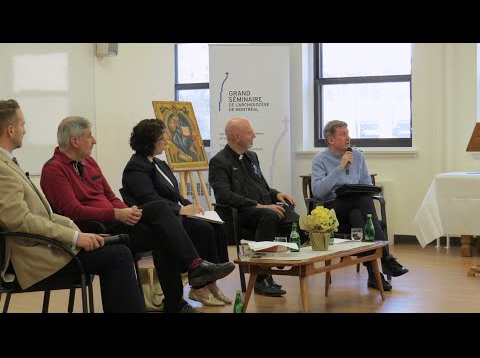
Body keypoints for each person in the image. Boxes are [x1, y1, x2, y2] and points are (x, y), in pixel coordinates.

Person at [40, 116, 235, 313]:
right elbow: (73, 211)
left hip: (115, 219)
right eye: (89, 135)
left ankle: (178, 298)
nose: (94, 140)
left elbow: (109, 195)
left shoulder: (89, 162)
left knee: (162, 230)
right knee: (159, 210)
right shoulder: (54, 169)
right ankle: (193, 268)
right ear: (75, 141)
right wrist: (116, 213)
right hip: (95, 229)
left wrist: (126, 210)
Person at [0, 99, 146, 313]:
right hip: (32, 256)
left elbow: (43, 213)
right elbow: (20, 221)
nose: (25, 130)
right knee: (119, 255)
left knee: (118, 249)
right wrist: (75, 238)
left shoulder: (8, 162)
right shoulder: (3, 168)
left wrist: (71, 226)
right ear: (10, 130)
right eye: (22, 124)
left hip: (44, 245)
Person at [122, 118, 231, 306]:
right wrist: (181, 209)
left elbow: (175, 194)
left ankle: (209, 283)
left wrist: (191, 206)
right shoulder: (135, 167)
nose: (167, 142)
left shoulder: (161, 164)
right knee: (201, 229)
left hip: (172, 214)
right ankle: (199, 286)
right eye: (162, 139)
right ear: (149, 141)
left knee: (214, 227)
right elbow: (150, 199)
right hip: (155, 220)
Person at [209, 117, 303, 297]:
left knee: (291, 216)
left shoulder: (252, 156)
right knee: (269, 216)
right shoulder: (219, 162)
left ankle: (279, 260)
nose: (254, 136)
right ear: (237, 136)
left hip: (260, 208)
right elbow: (224, 196)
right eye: (250, 133)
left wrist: (276, 194)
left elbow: (261, 186)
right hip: (237, 214)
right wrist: (259, 205)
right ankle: (260, 277)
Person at [311, 119, 409, 291]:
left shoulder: (358, 155)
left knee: (358, 214)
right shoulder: (320, 159)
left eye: (348, 133)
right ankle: (386, 259)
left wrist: (361, 190)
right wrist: (340, 167)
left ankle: (374, 275)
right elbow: (318, 192)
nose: (348, 137)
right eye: (342, 134)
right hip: (333, 209)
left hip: (356, 208)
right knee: (362, 203)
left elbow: (366, 184)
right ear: (331, 140)